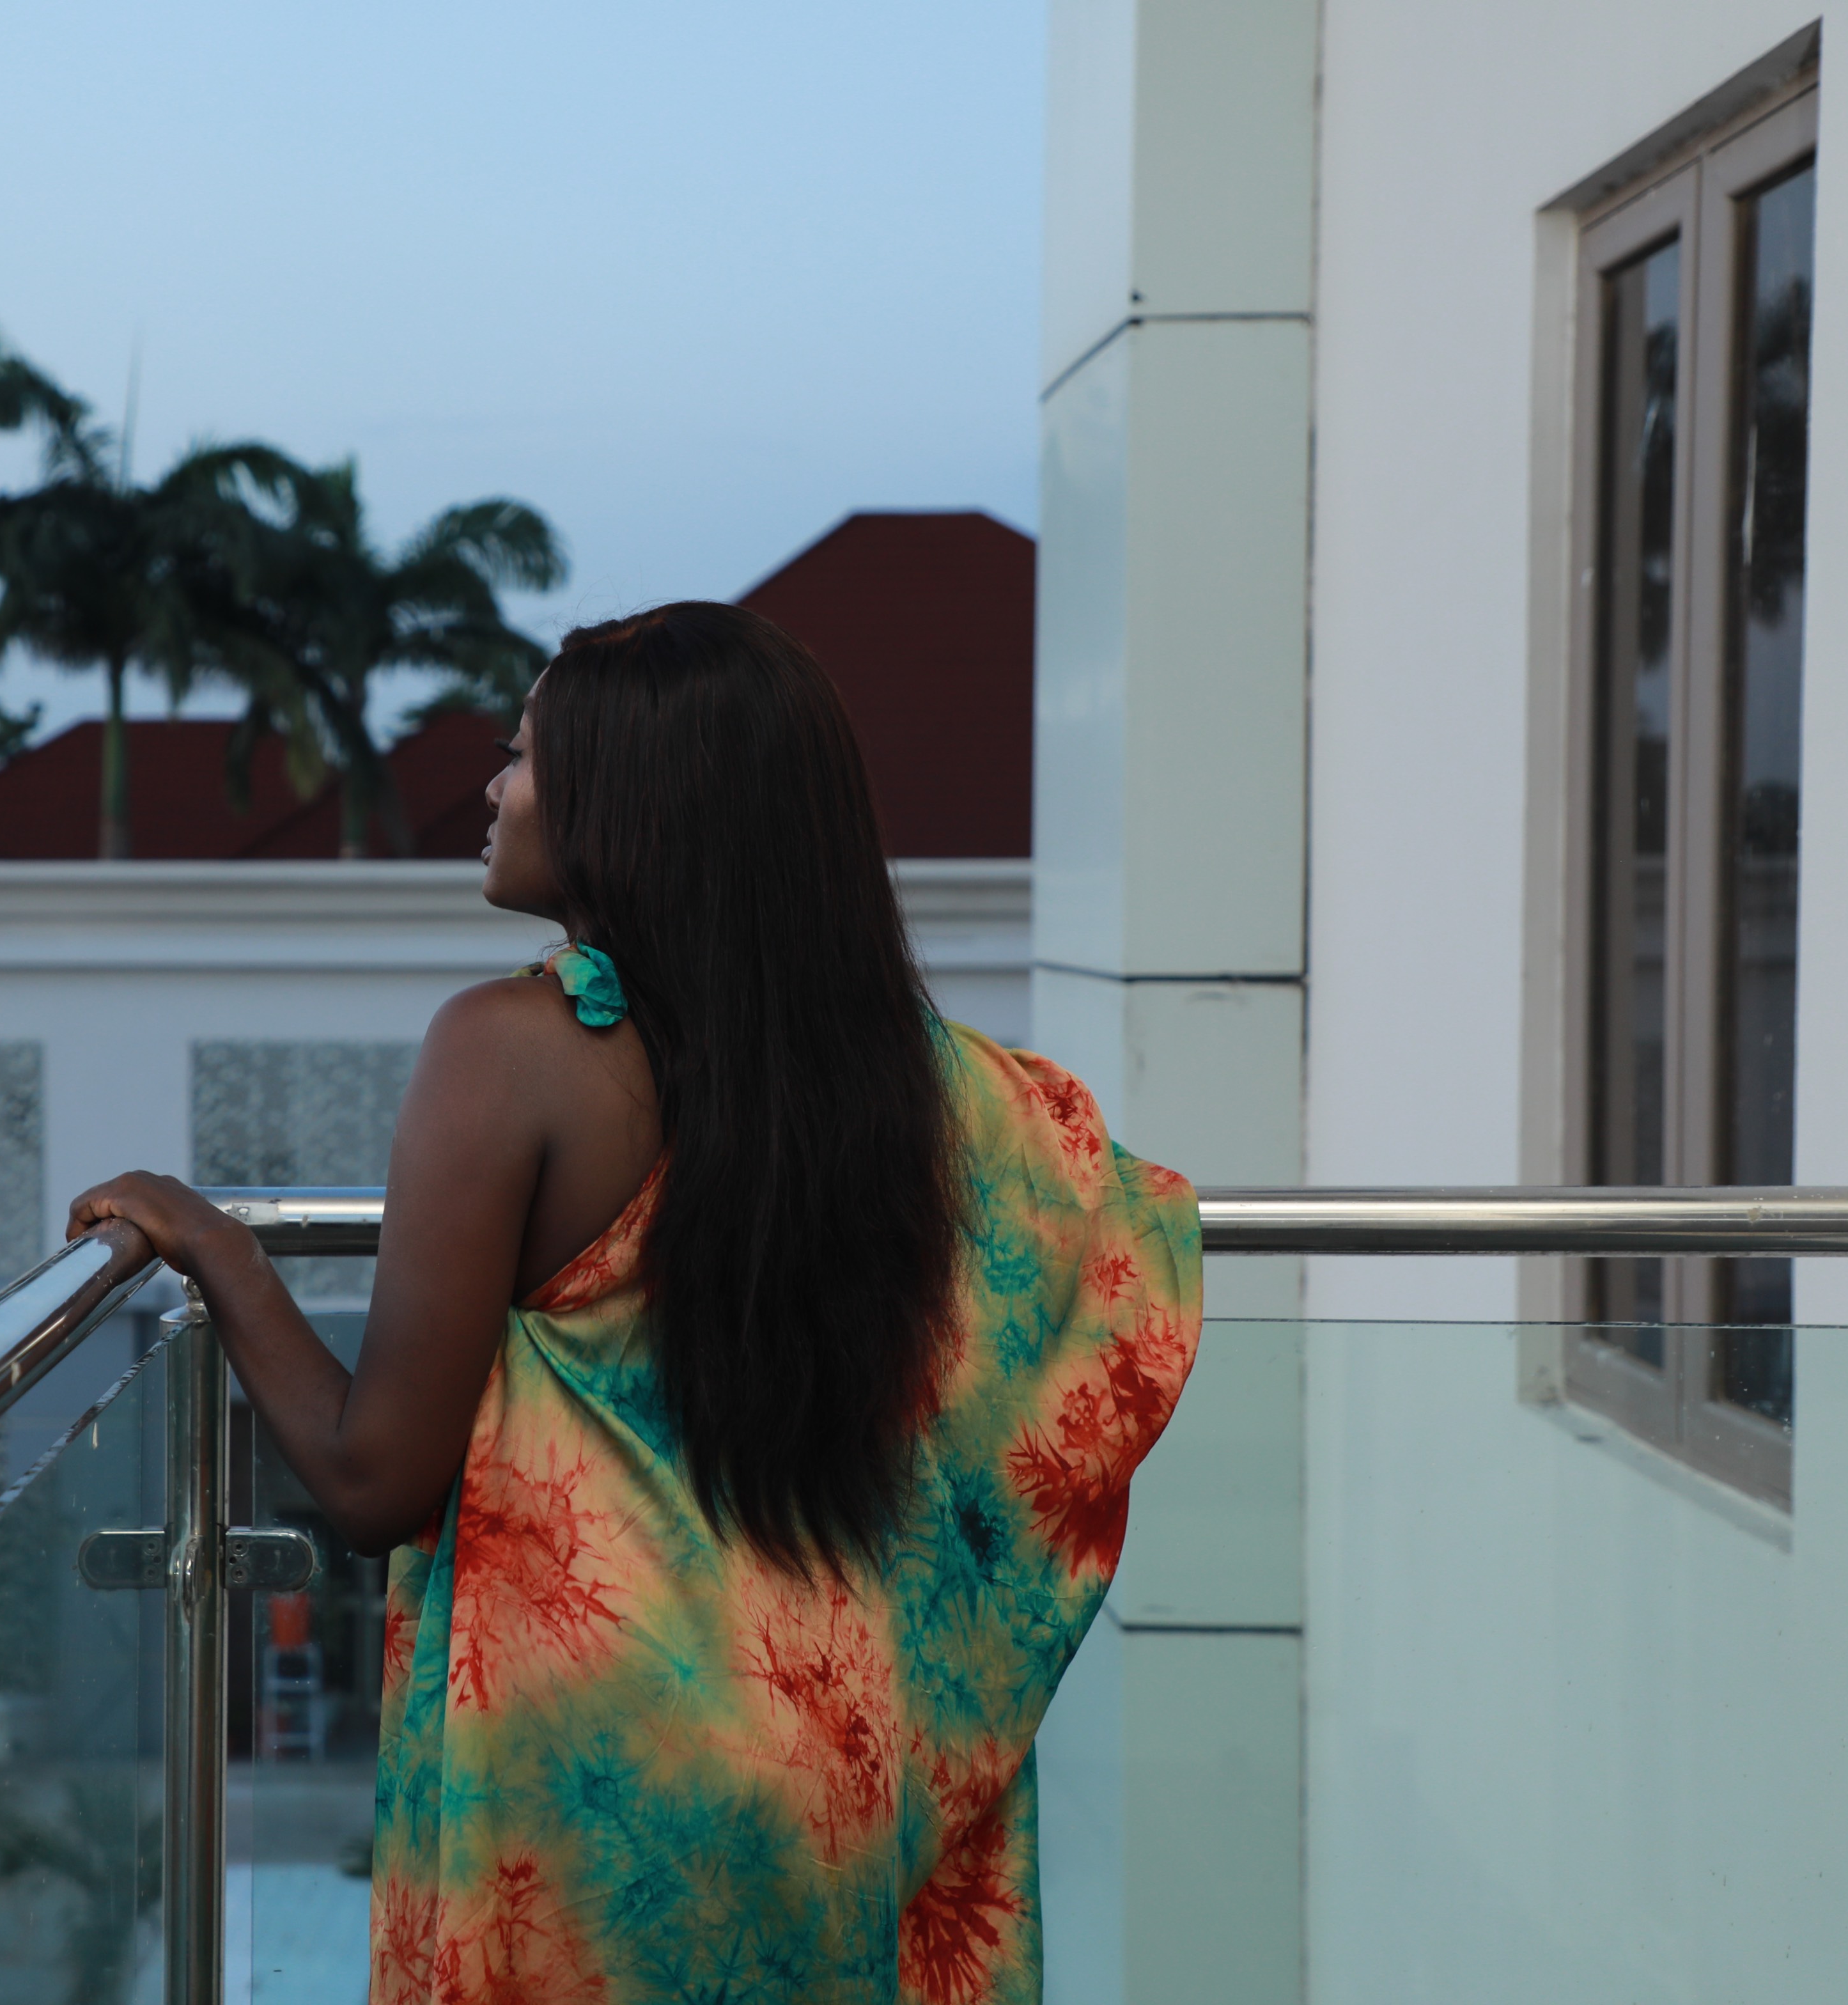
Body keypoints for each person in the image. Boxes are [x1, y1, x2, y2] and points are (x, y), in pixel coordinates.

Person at [68, 601, 1202, 2005]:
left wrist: (217, 1247)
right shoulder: (909, 1081)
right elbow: (1123, 1254)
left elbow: (373, 1482)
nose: (492, 789)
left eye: (522, 757)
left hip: (597, 1795)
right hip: (837, 1756)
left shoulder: (509, 1050)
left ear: (628, 803)